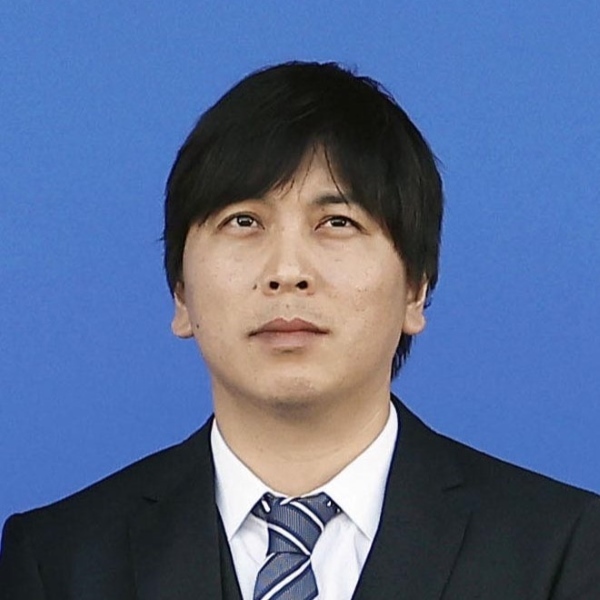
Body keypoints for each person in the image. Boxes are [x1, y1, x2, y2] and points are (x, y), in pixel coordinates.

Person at [0, 61, 598, 600]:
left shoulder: (564, 549)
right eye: (243, 221)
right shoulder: (59, 561)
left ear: (415, 291)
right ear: (181, 294)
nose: (287, 272)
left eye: (337, 222)